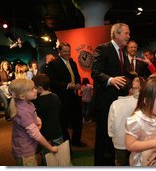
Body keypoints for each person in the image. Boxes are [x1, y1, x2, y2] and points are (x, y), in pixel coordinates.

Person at [91, 22, 131, 166]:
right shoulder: (103, 49)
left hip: (119, 103)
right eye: (126, 33)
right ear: (116, 34)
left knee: (115, 136)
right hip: (105, 102)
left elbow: (124, 74)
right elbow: (95, 72)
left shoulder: (123, 52)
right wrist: (110, 80)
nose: (128, 36)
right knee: (103, 137)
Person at [125, 76, 156, 166]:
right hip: (141, 162)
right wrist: (154, 143)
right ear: (147, 101)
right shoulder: (136, 120)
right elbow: (130, 145)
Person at [8, 78, 58, 166]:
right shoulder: (23, 111)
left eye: (35, 88)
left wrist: (38, 120)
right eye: (32, 90)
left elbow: (34, 115)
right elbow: (36, 134)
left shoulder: (28, 104)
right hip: (25, 152)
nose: (35, 90)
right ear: (22, 96)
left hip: (29, 147)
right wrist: (51, 148)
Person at [46, 42, 85, 148]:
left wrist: (78, 83)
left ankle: (76, 141)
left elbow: (77, 77)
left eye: (69, 51)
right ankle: (67, 145)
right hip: (62, 99)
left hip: (74, 96)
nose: (67, 53)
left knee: (78, 121)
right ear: (59, 52)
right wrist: (68, 85)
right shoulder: (53, 64)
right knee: (63, 123)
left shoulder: (73, 63)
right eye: (65, 51)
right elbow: (52, 83)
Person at [108, 76, 144, 166]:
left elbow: (111, 124)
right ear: (131, 90)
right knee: (136, 163)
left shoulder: (114, 104)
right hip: (135, 141)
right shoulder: (137, 103)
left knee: (121, 163)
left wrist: (112, 136)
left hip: (119, 142)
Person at [32, 74, 63, 165]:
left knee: (46, 156)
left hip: (44, 133)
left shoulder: (36, 101)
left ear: (40, 88)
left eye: (34, 88)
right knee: (59, 154)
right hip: (57, 130)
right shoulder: (55, 96)